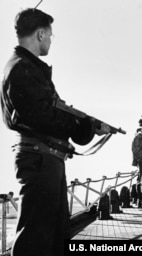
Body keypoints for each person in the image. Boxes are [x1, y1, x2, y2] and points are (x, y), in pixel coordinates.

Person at [0, 8, 109, 256]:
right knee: (36, 239)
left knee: (53, 237)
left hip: (45, 160)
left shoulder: (24, 68)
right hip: (40, 162)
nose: (50, 39)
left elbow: (47, 113)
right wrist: (85, 126)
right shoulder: (22, 69)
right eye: (50, 34)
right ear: (40, 34)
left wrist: (86, 124)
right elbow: (45, 117)